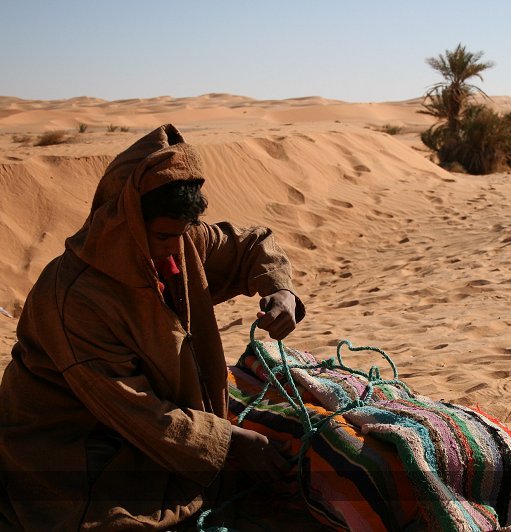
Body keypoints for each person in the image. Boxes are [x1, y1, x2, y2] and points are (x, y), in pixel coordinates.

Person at [0, 124, 305, 530]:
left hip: (152, 418)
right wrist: (227, 441)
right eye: (163, 236)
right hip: (73, 441)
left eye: (181, 234)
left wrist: (280, 290)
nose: (173, 248)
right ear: (124, 221)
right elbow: (133, 407)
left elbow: (251, 244)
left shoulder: (180, 240)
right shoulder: (75, 296)